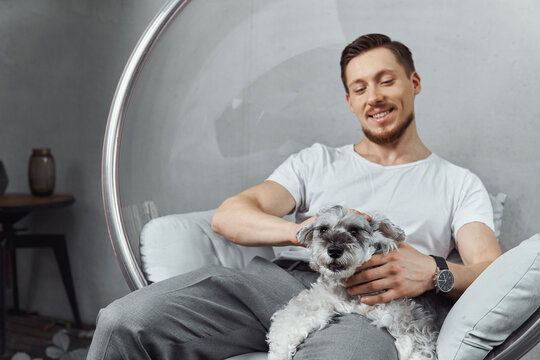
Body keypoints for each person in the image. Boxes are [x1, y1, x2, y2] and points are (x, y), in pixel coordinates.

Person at [87, 33, 502, 360]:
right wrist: (304, 231)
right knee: (123, 320)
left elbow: (492, 271)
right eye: (359, 88)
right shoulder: (316, 161)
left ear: (414, 83)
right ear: (349, 101)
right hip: (279, 283)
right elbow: (229, 216)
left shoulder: (457, 182)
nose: (373, 96)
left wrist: (434, 271)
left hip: (373, 308)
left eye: (385, 80)